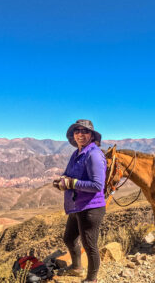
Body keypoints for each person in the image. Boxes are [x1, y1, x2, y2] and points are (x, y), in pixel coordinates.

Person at [53, 119, 106, 283]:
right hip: (77, 205)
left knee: (90, 245)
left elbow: (98, 185)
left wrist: (72, 183)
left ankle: (92, 279)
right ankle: (76, 268)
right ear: (73, 135)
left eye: (85, 131)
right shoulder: (77, 153)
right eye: (77, 131)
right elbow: (68, 172)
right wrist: (62, 180)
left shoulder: (94, 154)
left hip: (91, 208)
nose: (81, 134)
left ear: (91, 135)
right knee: (69, 238)